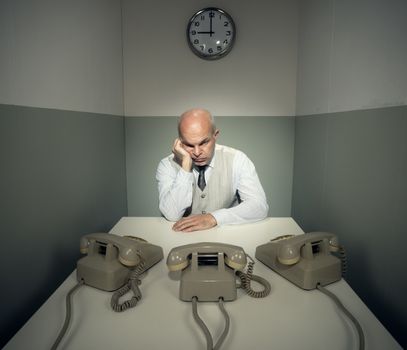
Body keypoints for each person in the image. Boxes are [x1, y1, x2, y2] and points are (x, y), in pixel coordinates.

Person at [156, 108, 269, 232]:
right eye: (189, 145)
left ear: (215, 135)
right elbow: (172, 215)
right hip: (183, 237)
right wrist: (186, 166)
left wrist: (213, 218)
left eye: (204, 142)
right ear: (180, 142)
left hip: (228, 236)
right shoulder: (167, 164)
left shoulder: (238, 159)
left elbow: (259, 206)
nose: (197, 152)